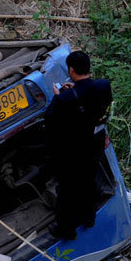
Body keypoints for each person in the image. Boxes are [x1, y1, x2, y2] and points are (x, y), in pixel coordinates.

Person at [44, 50, 112, 240]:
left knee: (67, 190)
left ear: (71, 70)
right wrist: (74, 90)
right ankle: (88, 218)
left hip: (73, 152)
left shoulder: (65, 99)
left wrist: (59, 96)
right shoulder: (103, 86)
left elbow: (50, 119)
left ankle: (66, 230)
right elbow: (90, 98)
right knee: (89, 182)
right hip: (95, 146)